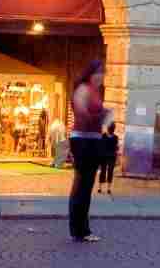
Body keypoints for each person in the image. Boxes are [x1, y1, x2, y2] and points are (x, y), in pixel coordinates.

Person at [68, 59, 106, 243]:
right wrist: (102, 115)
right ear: (90, 73)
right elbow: (82, 115)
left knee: (86, 186)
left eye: (103, 73)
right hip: (83, 140)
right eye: (98, 72)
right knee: (82, 186)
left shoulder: (95, 91)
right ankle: (79, 229)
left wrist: (104, 118)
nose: (101, 76)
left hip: (93, 140)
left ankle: (82, 229)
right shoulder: (83, 89)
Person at [97, 122, 119, 194]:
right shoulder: (114, 137)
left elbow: (100, 146)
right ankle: (106, 188)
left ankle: (102, 188)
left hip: (108, 156)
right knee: (107, 171)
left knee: (106, 171)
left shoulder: (104, 136)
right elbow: (116, 148)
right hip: (108, 156)